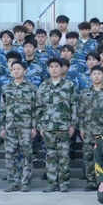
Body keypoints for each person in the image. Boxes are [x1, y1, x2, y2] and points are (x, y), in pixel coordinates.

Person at [37, 58, 78, 193]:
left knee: (64, 155)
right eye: (51, 67)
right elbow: (38, 108)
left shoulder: (69, 85)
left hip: (64, 126)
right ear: (48, 69)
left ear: (62, 69)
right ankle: (52, 183)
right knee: (50, 155)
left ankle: (63, 183)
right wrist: (40, 126)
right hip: (48, 126)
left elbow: (74, 105)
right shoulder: (43, 86)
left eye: (56, 66)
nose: (54, 69)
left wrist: (73, 125)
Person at [78, 66, 103, 192]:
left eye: (99, 74)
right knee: (89, 157)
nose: (96, 76)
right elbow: (81, 112)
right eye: (94, 74)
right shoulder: (84, 93)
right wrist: (81, 128)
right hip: (89, 130)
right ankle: (91, 181)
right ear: (90, 76)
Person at [0, 61, 37, 192]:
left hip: (26, 126)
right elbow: (3, 109)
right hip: (10, 126)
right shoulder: (6, 88)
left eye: (18, 69)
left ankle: (25, 182)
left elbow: (35, 108)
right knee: (10, 156)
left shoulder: (31, 88)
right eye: (13, 69)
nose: (16, 71)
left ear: (25, 71)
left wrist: (34, 126)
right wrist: (2, 127)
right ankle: (13, 183)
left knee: (27, 155)